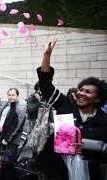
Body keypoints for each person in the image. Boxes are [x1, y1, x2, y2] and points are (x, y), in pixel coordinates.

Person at [37, 37, 107, 180]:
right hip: (57, 169)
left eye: (88, 92)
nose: (81, 93)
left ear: (98, 98)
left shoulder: (103, 120)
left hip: (89, 172)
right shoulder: (66, 105)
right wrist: (47, 55)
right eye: (80, 89)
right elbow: (45, 85)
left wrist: (91, 149)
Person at [0, 88, 27, 180]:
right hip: (2, 136)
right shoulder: (8, 105)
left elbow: (18, 126)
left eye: (13, 95)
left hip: (12, 140)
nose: (11, 97)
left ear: (17, 96)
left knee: (8, 164)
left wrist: (8, 139)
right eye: (9, 95)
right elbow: (2, 121)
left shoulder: (21, 107)